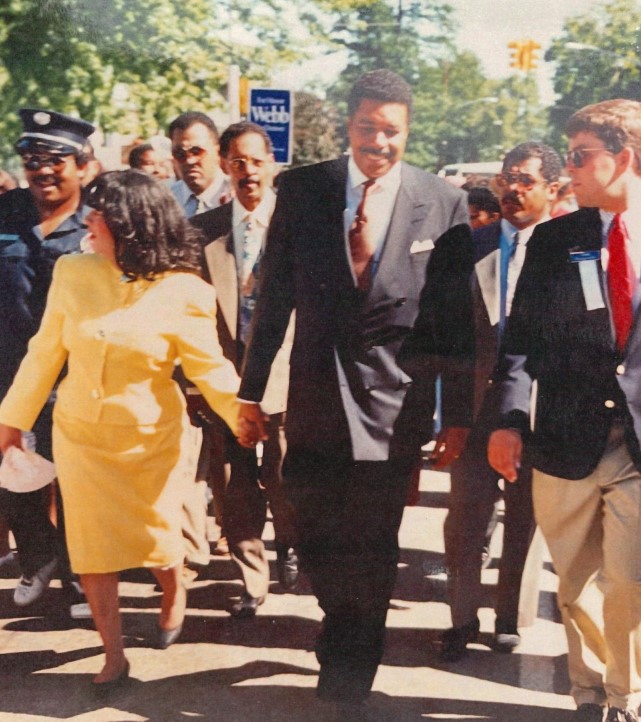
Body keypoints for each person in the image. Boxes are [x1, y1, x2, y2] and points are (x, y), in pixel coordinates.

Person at [237, 69, 469, 704]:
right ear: (349, 126)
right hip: (313, 400)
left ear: (407, 131)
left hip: (395, 407)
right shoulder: (305, 190)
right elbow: (275, 296)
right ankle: (342, 623)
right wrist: (249, 392)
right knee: (312, 532)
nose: (379, 142)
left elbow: (453, 316)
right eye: (367, 128)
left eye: (391, 131)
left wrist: (457, 415)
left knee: (371, 542)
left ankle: (349, 667)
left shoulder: (441, 201)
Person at [0, 170, 240, 690]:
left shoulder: (185, 290)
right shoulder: (72, 272)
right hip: (82, 437)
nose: (87, 222)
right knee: (90, 549)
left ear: (131, 226)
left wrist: (240, 409)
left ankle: (173, 586)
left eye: (99, 216)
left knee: (155, 537)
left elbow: (209, 366)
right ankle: (114, 655)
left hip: (149, 439)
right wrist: (12, 420)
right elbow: (44, 353)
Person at [487, 99, 641, 722]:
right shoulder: (556, 242)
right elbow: (520, 339)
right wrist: (507, 418)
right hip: (565, 436)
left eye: (581, 157)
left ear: (625, 158)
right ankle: (589, 693)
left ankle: (625, 697)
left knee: (630, 580)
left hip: (636, 439)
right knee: (574, 587)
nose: (569, 169)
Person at [431, 142, 561, 662]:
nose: (513, 188)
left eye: (527, 180)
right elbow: (444, 337)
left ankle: (510, 618)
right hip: (473, 412)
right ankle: (461, 618)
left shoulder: (572, 250)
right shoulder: (467, 245)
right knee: (465, 519)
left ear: (554, 189)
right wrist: (449, 417)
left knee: (526, 519)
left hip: (539, 412)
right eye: (509, 177)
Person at [192, 121, 298, 617]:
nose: (247, 172)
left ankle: (291, 544)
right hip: (225, 387)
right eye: (237, 162)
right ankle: (252, 577)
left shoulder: (300, 227)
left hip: (286, 381)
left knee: (285, 477)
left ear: (271, 165)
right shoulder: (204, 233)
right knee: (233, 485)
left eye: (256, 162)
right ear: (224, 165)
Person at [0, 108, 94, 616]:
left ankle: (82, 576)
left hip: (76, 374)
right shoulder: (6, 212)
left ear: (81, 166)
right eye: (32, 159)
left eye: (56, 159)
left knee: (77, 479)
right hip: (10, 372)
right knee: (15, 475)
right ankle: (37, 559)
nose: (43, 170)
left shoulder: (97, 223)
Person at [168, 111, 230, 217]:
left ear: (217, 151)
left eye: (196, 151)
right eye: (179, 153)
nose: (189, 161)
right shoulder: (166, 201)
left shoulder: (237, 197)